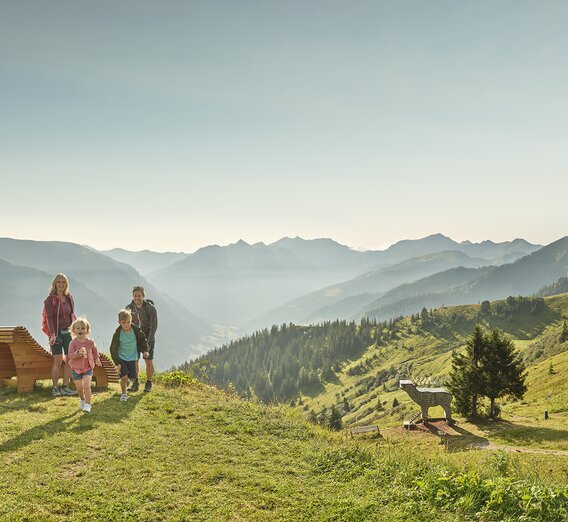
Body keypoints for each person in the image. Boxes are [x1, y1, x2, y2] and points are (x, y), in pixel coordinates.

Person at [44, 273, 78, 397]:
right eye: (59, 282)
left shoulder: (69, 298)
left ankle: (65, 387)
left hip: (68, 333)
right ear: (55, 284)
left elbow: (72, 315)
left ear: (66, 284)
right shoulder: (50, 299)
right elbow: (49, 318)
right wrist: (52, 334)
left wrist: (76, 331)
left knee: (69, 360)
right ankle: (54, 388)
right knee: (57, 361)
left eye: (63, 282)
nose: (61, 284)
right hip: (56, 334)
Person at [109, 309, 149, 402]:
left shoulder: (136, 331)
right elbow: (113, 349)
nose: (126, 324)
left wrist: (145, 351)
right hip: (122, 357)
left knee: (133, 377)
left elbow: (143, 340)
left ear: (131, 321)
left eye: (128, 322)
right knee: (124, 377)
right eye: (124, 322)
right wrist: (117, 362)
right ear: (119, 322)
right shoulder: (117, 334)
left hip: (133, 357)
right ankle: (123, 394)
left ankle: (127, 379)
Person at [125, 286, 157, 392]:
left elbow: (153, 327)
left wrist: (149, 342)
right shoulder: (129, 308)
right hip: (134, 338)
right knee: (135, 361)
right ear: (132, 296)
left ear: (143, 296)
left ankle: (148, 382)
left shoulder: (150, 308)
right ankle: (135, 383)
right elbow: (124, 323)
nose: (137, 298)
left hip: (148, 337)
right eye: (135, 296)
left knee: (148, 360)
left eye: (139, 296)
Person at [67, 317, 101, 413]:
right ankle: (82, 399)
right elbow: (70, 356)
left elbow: (94, 350)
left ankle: (88, 404)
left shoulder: (90, 342)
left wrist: (97, 358)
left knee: (87, 386)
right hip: (76, 369)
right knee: (79, 388)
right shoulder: (72, 343)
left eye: (83, 328)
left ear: (87, 330)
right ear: (74, 330)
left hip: (87, 368)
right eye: (78, 328)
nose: (80, 330)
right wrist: (78, 353)